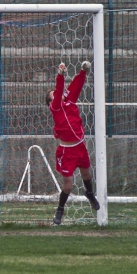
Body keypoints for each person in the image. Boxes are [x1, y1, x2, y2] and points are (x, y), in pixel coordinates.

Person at [46, 61, 100, 225]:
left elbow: (75, 86)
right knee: (68, 185)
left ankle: (89, 193)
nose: (58, 94)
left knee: (86, 175)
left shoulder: (69, 101)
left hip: (80, 147)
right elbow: (60, 89)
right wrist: (60, 75)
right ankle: (60, 211)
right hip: (66, 151)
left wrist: (83, 72)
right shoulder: (56, 108)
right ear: (50, 102)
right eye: (53, 94)